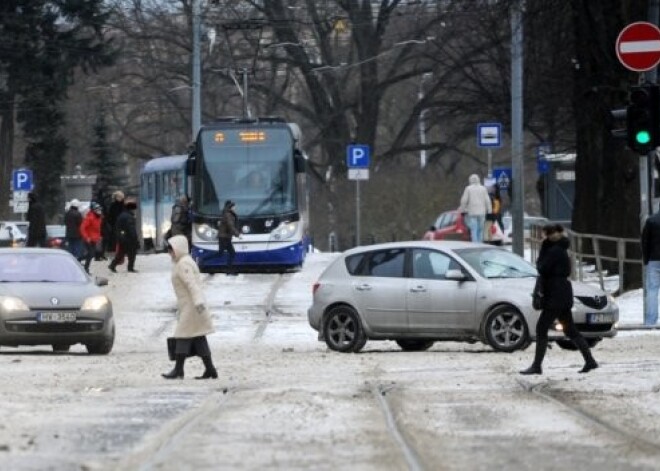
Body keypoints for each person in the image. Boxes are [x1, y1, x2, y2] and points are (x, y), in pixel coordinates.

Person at [520, 224, 598, 375]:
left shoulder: (554, 251)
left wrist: (544, 247)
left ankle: (537, 366)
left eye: (550, 234)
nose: (548, 236)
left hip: (555, 294)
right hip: (562, 292)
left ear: (556, 234)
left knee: (541, 328)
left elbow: (542, 267)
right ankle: (590, 361)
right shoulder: (561, 248)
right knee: (570, 329)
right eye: (547, 234)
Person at [162, 234, 217, 380]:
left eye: (171, 248)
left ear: (178, 248)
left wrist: (198, 302)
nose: (169, 252)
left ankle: (178, 370)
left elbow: (191, 284)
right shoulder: (185, 261)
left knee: (182, 335)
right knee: (198, 336)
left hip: (191, 306)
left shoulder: (183, 264)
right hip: (191, 305)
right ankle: (210, 369)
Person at [459, 174, 492, 243]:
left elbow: (464, 200)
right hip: (482, 212)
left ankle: (475, 243)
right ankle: (480, 243)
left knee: (474, 229)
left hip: (472, 212)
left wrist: (462, 210)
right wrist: (489, 211)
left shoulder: (468, 188)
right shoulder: (483, 188)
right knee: (480, 229)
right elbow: (487, 200)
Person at [108, 199, 139, 273]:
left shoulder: (122, 215)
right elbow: (131, 229)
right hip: (128, 239)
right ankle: (130, 268)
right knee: (132, 254)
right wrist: (135, 238)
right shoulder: (129, 217)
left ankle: (112, 265)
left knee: (121, 253)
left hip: (122, 237)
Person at [641, 207, 660, 325]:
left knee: (652, 291)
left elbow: (645, 242)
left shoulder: (651, 221)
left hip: (654, 260)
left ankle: (651, 321)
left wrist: (646, 260)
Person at [217, 200, 241, 275]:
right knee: (231, 253)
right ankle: (229, 270)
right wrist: (237, 234)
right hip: (224, 237)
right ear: (230, 207)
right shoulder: (228, 214)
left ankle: (229, 270)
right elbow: (230, 226)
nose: (235, 208)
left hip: (225, 237)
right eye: (234, 206)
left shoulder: (228, 213)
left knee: (223, 253)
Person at [80, 202, 104, 274]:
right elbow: (82, 228)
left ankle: (78, 259)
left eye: (99, 209)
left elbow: (97, 229)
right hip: (88, 239)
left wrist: (99, 236)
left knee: (91, 254)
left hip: (94, 239)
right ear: (93, 210)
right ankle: (86, 269)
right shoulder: (89, 217)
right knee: (90, 254)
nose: (99, 211)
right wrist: (86, 237)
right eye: (97, 209)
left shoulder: (99, 218)